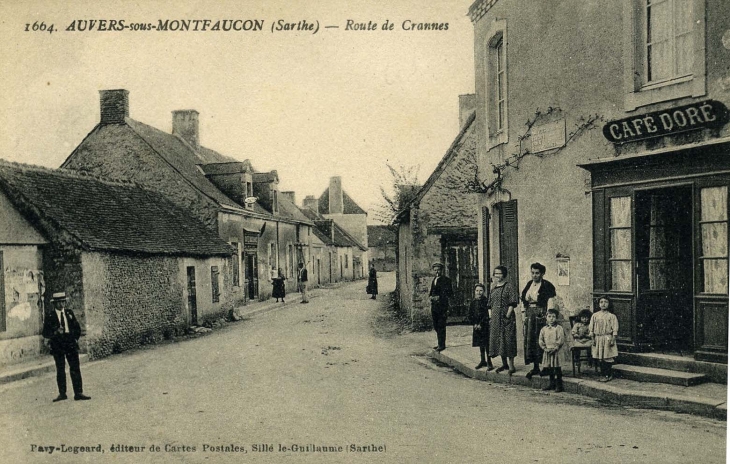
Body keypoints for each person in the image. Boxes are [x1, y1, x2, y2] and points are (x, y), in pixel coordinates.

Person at [42, 292, 91, 402]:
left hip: (70, 343)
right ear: (54, 304)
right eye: (59, 302)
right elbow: (45, 333)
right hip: (58, 345)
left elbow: (77, 328)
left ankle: (78, 392)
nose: (61, 304)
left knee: (75, 368)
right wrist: (55, 332)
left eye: (63, 302)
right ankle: (62, 393)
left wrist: (74, 338)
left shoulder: (69, 313)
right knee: (60, 369)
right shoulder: (50, 316)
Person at [520, 262, 557, 380]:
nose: (534, 275)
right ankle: (535, 366)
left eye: (537, 273)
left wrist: (548, 317)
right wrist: (523, 315)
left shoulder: (547, 285)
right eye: (533, 273)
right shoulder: (529, 284)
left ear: (542, 274)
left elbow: (551, 302)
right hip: (530, 315)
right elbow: (523, 301)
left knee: (542, 340)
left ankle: (546, 366)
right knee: (531, 341)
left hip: (542, 315)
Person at [488, 266, 519, 374]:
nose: (497, 276)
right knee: (498, 340)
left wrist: (507, 315)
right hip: (496, 318)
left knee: (508, 340)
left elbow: (512, 303)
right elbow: (489, 304)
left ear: (504, 274)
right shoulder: (493, 288)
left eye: (500, 273)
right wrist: (491, 317)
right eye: (496, 274)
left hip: (506, 317)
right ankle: (504, 364)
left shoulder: (509, 286)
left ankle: (511, 366)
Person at [589, 295, 619, 382]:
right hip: (598, 338)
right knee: (600, 357)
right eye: (601, 302)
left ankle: (608, 374)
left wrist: (613, 339)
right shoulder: (595, 315)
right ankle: (603, 374)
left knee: (607, 357)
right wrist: (592, 338)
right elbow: (591, 328)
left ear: (609, 304)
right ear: (598, 304)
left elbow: (615, 329)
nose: (603, 304)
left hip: (607, 338)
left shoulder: (612, 316)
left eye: (605, 302)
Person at [539, 308, 565, 392]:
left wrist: (556, 347)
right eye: (549, 316)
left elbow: (560, 339)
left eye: (553, 316)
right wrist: (544, 348)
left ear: (556, 318)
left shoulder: (559, 328)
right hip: (547, 351)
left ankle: (559, 385)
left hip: (556, 351)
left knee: (557, 368)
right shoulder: (543, 329)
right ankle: (551, 384)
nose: (551, 318)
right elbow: (541, 340)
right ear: (546, 317)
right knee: (550, 368)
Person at [429, 262, 453, 352]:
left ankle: (442, 345)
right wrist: (431, 296)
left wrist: (440, 297)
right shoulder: (434, 279)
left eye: (438, 270)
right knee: (435, 325)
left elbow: (449, 293)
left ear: (442, 270)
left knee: (441, 325)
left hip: (442, 306)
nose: (437, 271)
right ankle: (439, 343)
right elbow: (431, 291)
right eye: (435, 270)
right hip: (434, 306)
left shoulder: (446, 280)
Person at [469, 283, 493, 370]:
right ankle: (483, 361)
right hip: (476, 326)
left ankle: (489, 362)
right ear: (474, 291)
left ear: (484, 291)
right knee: (480, 344)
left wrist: (481, 324)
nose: (479, 292)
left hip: (484, 326)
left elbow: (487, 315)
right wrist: (474, 324)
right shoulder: (473, 302)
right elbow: (470, 314)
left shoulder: (486, 301)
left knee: (486, 344)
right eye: (477, 291)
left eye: (481, 291)